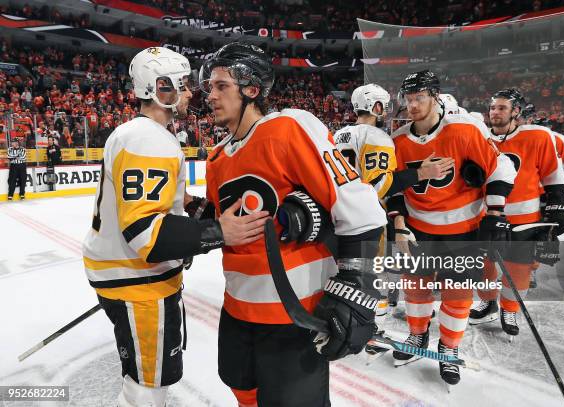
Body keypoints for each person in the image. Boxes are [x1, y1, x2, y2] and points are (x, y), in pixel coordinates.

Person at [199, 42, 387, 406]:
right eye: (210, 87)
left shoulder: (289, 127)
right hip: (237, 308)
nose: (211, 95)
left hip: (294, 313)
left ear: (251, 89)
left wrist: (355, 285)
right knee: (241, 388)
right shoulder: (217, 157)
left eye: (221, 86)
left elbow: (358, 207)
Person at [82, 46, 269, 407]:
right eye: (181, 85)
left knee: (146, 381)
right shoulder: (148, 139)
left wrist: (201, 212)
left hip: (126, 277)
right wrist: (218, 232)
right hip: (138, 283)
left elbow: (169, 203)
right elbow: (143, 232)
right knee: (146, 391)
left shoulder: (141, 134)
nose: (190, 94)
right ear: (159, 88)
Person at [389, 70, 516, 385]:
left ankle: (448, 348)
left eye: (419, 98)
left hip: (463, 231)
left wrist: (496, 212)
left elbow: (500, 165)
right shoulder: (398, 139)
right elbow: (390, 187)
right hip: (418, 229)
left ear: (434, 96)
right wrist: (399, 223)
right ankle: (417, 336)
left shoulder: (463, 128)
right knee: (415, 290)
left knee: (457, 296)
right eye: (408, 99)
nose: (413, 105)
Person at [333, 83, 454, 334]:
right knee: (371, 274)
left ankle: (345, 318)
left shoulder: (338, 134)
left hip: (339, 214)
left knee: (347, 272)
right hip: (366, 218)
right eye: (383, 105)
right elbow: (379, 185)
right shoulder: (377, 136)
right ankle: (367, 326)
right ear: (375, 106)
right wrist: (420, 173)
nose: (386, 110)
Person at [470, 89, 564, 336]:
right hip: (487, 218)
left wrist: (559, 205)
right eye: (493, 107)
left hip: (526, 220)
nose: (495, 112)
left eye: (502, 108)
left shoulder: (538, 136)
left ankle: (510, 307)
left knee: (519, 269)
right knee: (484, 266)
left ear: (516, 111)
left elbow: (553, 175)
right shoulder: (479, 137)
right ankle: (487, 301)